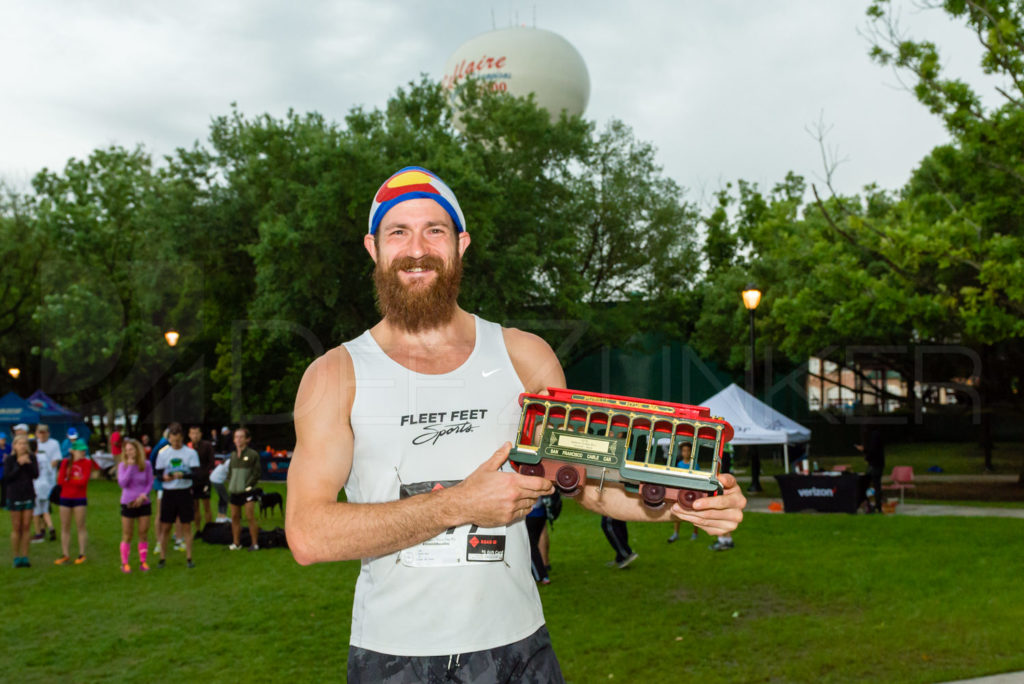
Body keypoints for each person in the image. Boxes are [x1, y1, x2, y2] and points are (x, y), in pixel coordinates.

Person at [286, 166, 746, 681]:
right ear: (373, 248)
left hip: (516, 649)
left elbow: (586, 484)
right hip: (392, 656)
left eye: (434, 230)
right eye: (399, 232)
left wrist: (683, 505)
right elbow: (307, 534)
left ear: (461, 243)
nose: (417, 249)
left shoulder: (524, 356)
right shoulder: (335, 374)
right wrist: (457, 504)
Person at [154, 424, 199, 568]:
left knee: (186, 525)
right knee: (166, 525)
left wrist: (183, 475)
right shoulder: (163, 453)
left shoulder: (190, 453)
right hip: (169, 492)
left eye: (178, 441)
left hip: (184, 491)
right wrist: (165, 477)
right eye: (172, 441)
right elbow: (158, 474)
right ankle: (162, 557)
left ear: (182, 438)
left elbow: (196, 473)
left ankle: (189, 557)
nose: (175, 444)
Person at [117, 438, 154, 573]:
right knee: (128, 534)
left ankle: (143, 561)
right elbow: (122, 484)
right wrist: (131, 467)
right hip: (128, 502)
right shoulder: (123, 466)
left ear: (137, 450)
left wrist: (143, 495)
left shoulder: (147, 465)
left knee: (143, 532)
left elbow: (150, 482)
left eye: (131, 449)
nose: (128, 453)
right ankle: (125, 563)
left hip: (143, 502)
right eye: (126, 450)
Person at [54, 439, 93, 565]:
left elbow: (83, 481)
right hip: (65, 497)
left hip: (79, 498)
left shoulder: (87, 463)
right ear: (73, 451)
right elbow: (60, 481)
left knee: (80, 525)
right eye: (80, 450)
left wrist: (70, 481)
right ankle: (65, 554)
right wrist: (73, 481)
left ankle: (82, 554)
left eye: (84, 450)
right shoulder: (66, 462)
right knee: (65, 526)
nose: (82, 453)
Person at [5, 434, 38, 568]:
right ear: (14, 446)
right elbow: (7, 478)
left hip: (28, 494)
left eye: (25, 443)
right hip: (14, 495)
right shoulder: (10, 459)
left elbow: (36, 475)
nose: (22, 446)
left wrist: (28, 464)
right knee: (16, 526)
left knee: (26, 526)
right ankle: (16, 556)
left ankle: (25, 556)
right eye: (19, 443)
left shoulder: (32, 458)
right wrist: (18, 464)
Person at [226, 427, 261, 551]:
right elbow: (229, 472)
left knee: (249, 516)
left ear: (247, 439)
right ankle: (236, 543)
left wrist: (248, 486)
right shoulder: (233, 455)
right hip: (235, 492)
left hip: (248, 492)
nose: (238, 439)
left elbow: (257, 473)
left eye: (241, 437)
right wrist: (232, 484)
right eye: (236, 437)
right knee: (235, 517)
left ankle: (255, 544)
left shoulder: (252, 454)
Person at [31, 424, 60, 542]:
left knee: (36, 511)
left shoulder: (32, 457)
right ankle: (50, 527)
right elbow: (48, 468)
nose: (42, 434)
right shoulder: (43, 457)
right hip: (46, 483)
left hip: (37, 485)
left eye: (44, 432)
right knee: (45, 509)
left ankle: (38, 533)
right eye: (40, 432)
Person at [187, 425, 216, 533]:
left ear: (200, 434)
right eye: (192, 433)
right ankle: (198, 530)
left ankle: (209, 529)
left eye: (197, 433)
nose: (195, 436)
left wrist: (204, 474)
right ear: (189, 435)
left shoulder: (207, 446)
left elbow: (211, 462)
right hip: (192, 481)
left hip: (204, 480)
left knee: (206, 505)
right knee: (195, 507)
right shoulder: (187, 448)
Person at [856, 425, 885, 513]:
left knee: (866, 485)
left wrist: (866, 454)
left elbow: (872, 451)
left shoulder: (873, 437)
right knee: (877, 486)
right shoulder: (877, 436)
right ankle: (877, 505)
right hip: (878, 464)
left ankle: (870, 505)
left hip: (874, 465)